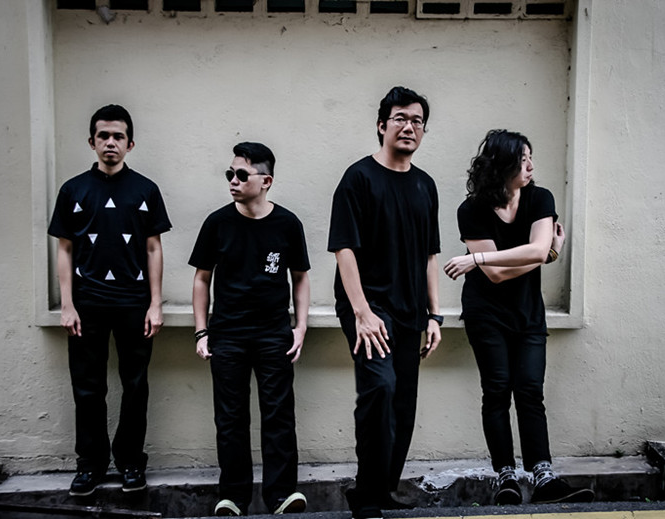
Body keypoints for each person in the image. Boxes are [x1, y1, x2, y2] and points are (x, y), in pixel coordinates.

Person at [443, 129, 594, 505]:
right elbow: (498, 274)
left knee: (529, 390)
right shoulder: (471, 210)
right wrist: (542, 254)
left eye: (530, 157)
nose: (530, 166)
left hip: (527, 313)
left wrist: (478, 258)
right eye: (522, 159)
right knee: (496, 390)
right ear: (501, 165)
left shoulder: (540, 198)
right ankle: (506, 476)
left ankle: (544, 477)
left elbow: (538, 249)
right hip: (486, 313)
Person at [327, 86, 443, 519]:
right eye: (400, 118)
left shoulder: (425, 185)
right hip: (369, 305)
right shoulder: (358, 178)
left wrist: (435, 314)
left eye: (417, 121)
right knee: (380, 387)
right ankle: (366, 492)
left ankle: (382, 489)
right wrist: (362, 313)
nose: (409, 127)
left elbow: (430, 255)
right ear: (381, 126)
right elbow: (344, 249)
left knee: (403, 403)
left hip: (411, 308)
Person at [48, 104, 172, 496]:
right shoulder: (73, 190)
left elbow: (153, 248)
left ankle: (131, 462)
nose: (111, 143)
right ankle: (90, 465)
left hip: (135, 303)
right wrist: (67, 304)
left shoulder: (146, 190)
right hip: (87, 304)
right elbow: (64, 250)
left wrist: (155, 303)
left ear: (130, 144)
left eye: (118, 136)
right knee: (88, 388)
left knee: (135, 386)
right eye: (103, 136)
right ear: (92, 142)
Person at [189, 142, 310, 516]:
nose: (233, 181)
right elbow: (201, 279)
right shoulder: (217, 223)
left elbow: (300, 277)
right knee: (230, 419)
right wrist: (201, 331)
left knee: (279, 415)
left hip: (274, 335)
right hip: (227, 336)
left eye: (242, 174)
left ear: (266, 181)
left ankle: (281, 496)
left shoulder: (287, 224)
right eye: (230, 174)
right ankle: (233, 498)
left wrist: (300, 327)